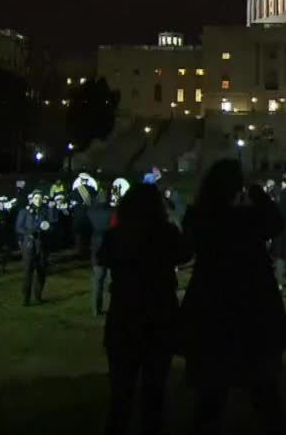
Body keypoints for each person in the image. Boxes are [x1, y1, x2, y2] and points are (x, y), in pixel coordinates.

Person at [180, 160, 286, 435]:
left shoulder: (199, 218)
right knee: (263, 391)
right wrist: (255, 191)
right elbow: (276, 222)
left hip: (211, 305)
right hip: (251, 305)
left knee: (211, 394)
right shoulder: (244, 220)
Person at [99, 183, 191, 435]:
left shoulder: (116, 235)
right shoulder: (166, 233)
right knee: (154, 392)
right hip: (158, 314)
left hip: (125, 315)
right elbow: (185, 253)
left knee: (121, 394)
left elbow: (102, 258)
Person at [15, 190, 57, 306]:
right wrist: (29, 232)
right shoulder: (25, 211)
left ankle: (38, 295)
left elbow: (52, 226)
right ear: (32, 199)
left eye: (40, 198)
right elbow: (18, 227)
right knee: (28, 272)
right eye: (36, 198)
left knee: (41, 272)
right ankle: (26, 298)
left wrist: (48, 228)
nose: (38, 200)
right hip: (29, 245)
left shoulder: (45, 211)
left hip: (42, 245)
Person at [89, 189, 118, 317]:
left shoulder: (91, 211)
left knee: (97, 280)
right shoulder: (113, 211)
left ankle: (96, 309)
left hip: (96, 246)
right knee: (113, 281)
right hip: (111, 246)